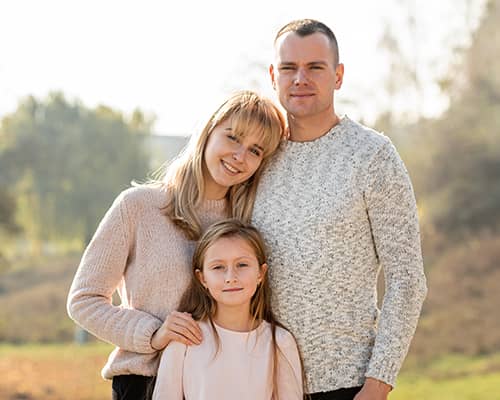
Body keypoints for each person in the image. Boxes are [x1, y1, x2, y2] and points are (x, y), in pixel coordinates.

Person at [67, 90, 285, 400]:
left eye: (255, 150)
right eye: (233, 138)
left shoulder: (248, 223)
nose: (240, 156)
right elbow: (83, 300)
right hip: (145, 381)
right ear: (208, 131)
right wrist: (152, 333)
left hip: (221, 385)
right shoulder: (138, 207)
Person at [252, 19, 428, 400]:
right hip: (261, 380)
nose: (300, 78)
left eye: (315, 67)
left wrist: (377, 385)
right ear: (272, 75)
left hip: (345, 383)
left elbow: (407, 280)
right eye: (288, 68)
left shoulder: (373, 156)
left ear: (338, 75)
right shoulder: (256, 157)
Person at [152, 219, 303, 400]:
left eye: (242, 265)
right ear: (202, 278)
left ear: (260, 274)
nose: (231, 277)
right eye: (218, 267)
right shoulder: (184, 337)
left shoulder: (279, 341)